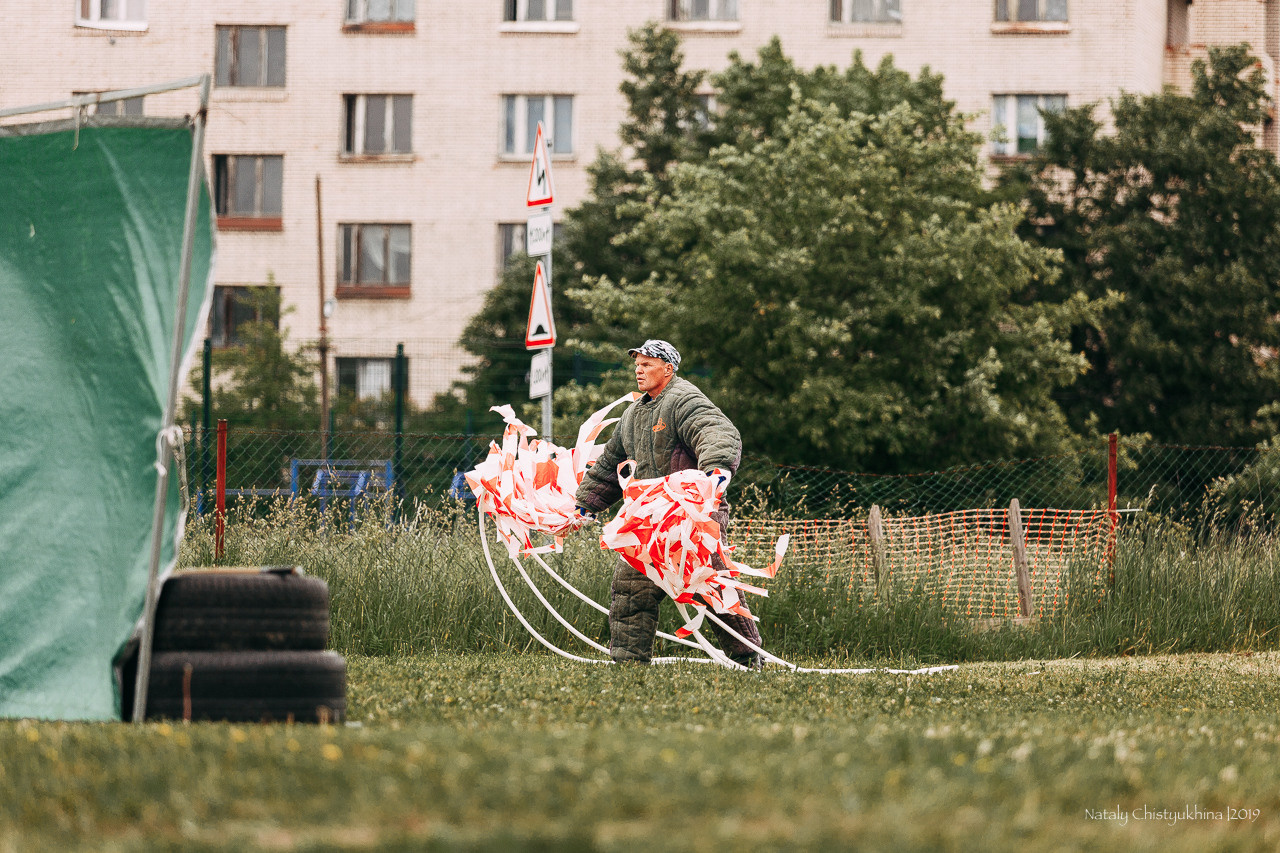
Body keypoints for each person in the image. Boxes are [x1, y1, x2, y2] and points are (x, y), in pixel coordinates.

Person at [575, 339, 764, 668]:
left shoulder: (683, 399)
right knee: (631, 589)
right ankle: (629, 665)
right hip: (649, 518)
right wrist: (587, 503)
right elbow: (609, 464)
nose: (639, 368)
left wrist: (717, 468)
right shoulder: (633, 414)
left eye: (647, 363)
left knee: (711, 586)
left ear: (668, 368)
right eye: (637, 363)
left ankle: (748, 658)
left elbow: (715, 430)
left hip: (693, 514)